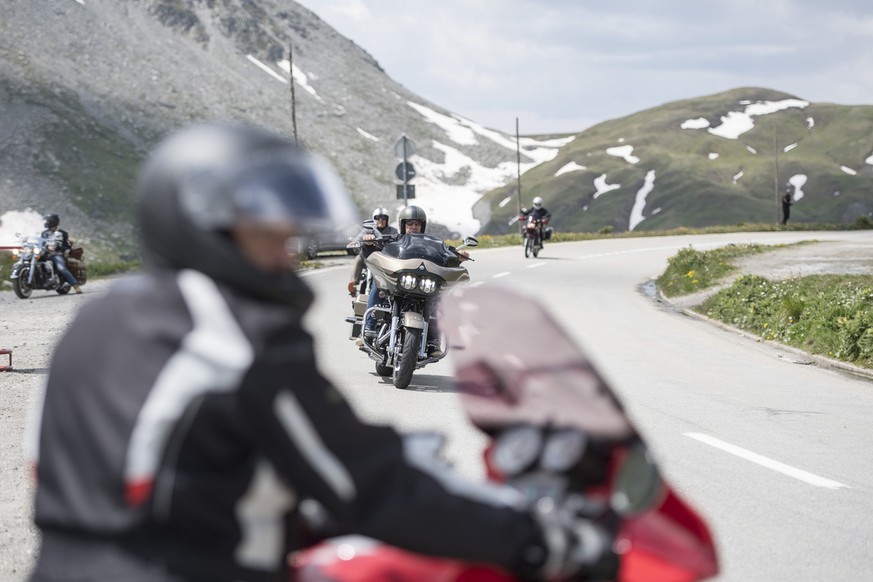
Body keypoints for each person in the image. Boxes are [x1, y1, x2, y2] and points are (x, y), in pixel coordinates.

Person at [26, 122, 614, 582]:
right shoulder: (239, 340)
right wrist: (536, 537)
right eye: (268, 233)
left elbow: (162, 473)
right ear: (202, 226)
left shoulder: (96, 319)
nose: (288, 249)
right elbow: (372, 486)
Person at [40, 213, 81, 293]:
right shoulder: (44, 233)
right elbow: (41, 243)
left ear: (52, 222)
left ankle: (75, 286)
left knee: (61, 268)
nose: (46, 222)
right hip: (45, 254)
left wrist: (57, 248)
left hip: (56, 254)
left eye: (48, 221)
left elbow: (67, 246)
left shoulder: (62, 233)